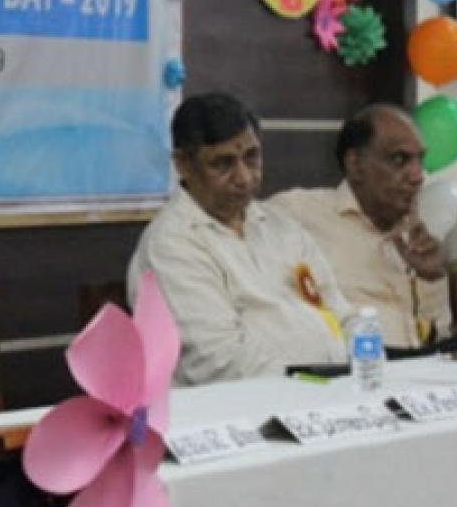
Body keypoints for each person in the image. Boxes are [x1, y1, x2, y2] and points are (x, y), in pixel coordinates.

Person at [127, 92, 351, 385]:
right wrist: (320, 385)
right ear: (183, 164)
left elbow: (343, 315)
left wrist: (366, 366)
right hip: (244, 411)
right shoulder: (171, 244)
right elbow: (216, 362)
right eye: (222, 164)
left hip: (334, 394)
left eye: (252, 157)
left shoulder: (280, 226)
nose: (244, 177)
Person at [272, 104, 450, 350]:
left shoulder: (427, 230)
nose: (417, 176)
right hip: (345, 376)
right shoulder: (297, 213)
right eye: (399, 159)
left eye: (420, 160)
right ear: (355, 164)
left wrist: (434, 278)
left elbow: (440, 339)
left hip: (417, 377)